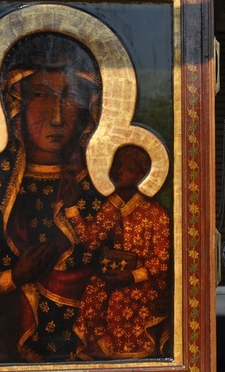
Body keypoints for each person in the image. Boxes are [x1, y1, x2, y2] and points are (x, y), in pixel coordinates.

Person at [0, 32, 105, 362]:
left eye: (70, 98)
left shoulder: (98, 191)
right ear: (17, 106)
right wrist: (13, 278)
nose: (57, 117)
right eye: (42, 96)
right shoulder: (3, 186)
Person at [66, 144, 170, 360]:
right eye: (117, 165)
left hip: (145, 280)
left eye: (128, 168)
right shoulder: (110, 206)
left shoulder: (155, 212)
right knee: (95, 289)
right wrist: (71, 208)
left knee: (121, 298)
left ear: (140, 175)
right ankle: (97, 349)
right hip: (116, 273)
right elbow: (92, 241)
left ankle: (127, 351)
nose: (119, 171)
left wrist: (132, 276)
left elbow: (161, 259)